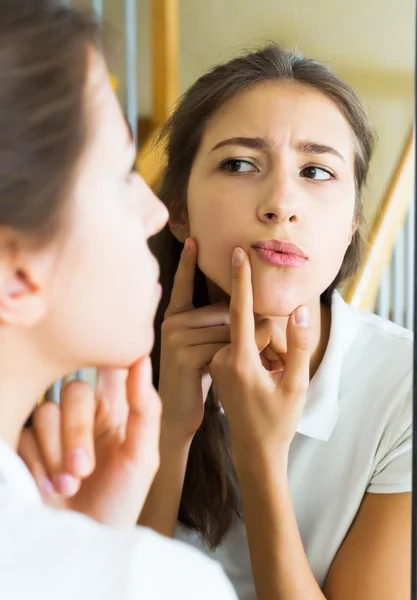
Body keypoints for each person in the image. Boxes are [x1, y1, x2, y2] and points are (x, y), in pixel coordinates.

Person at [25, 44, 412, 600]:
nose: (281, 202)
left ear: (352, 224)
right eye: (239, 163)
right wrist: (170, 432)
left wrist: (261, 460)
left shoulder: (415, 388)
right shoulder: (105, 367)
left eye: (317, 171)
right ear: (177, 211)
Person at [0, 2, 237, 599]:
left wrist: (82, 538)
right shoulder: (157, 585)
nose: (155, 212)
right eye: (120, 173)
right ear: (16, 272)